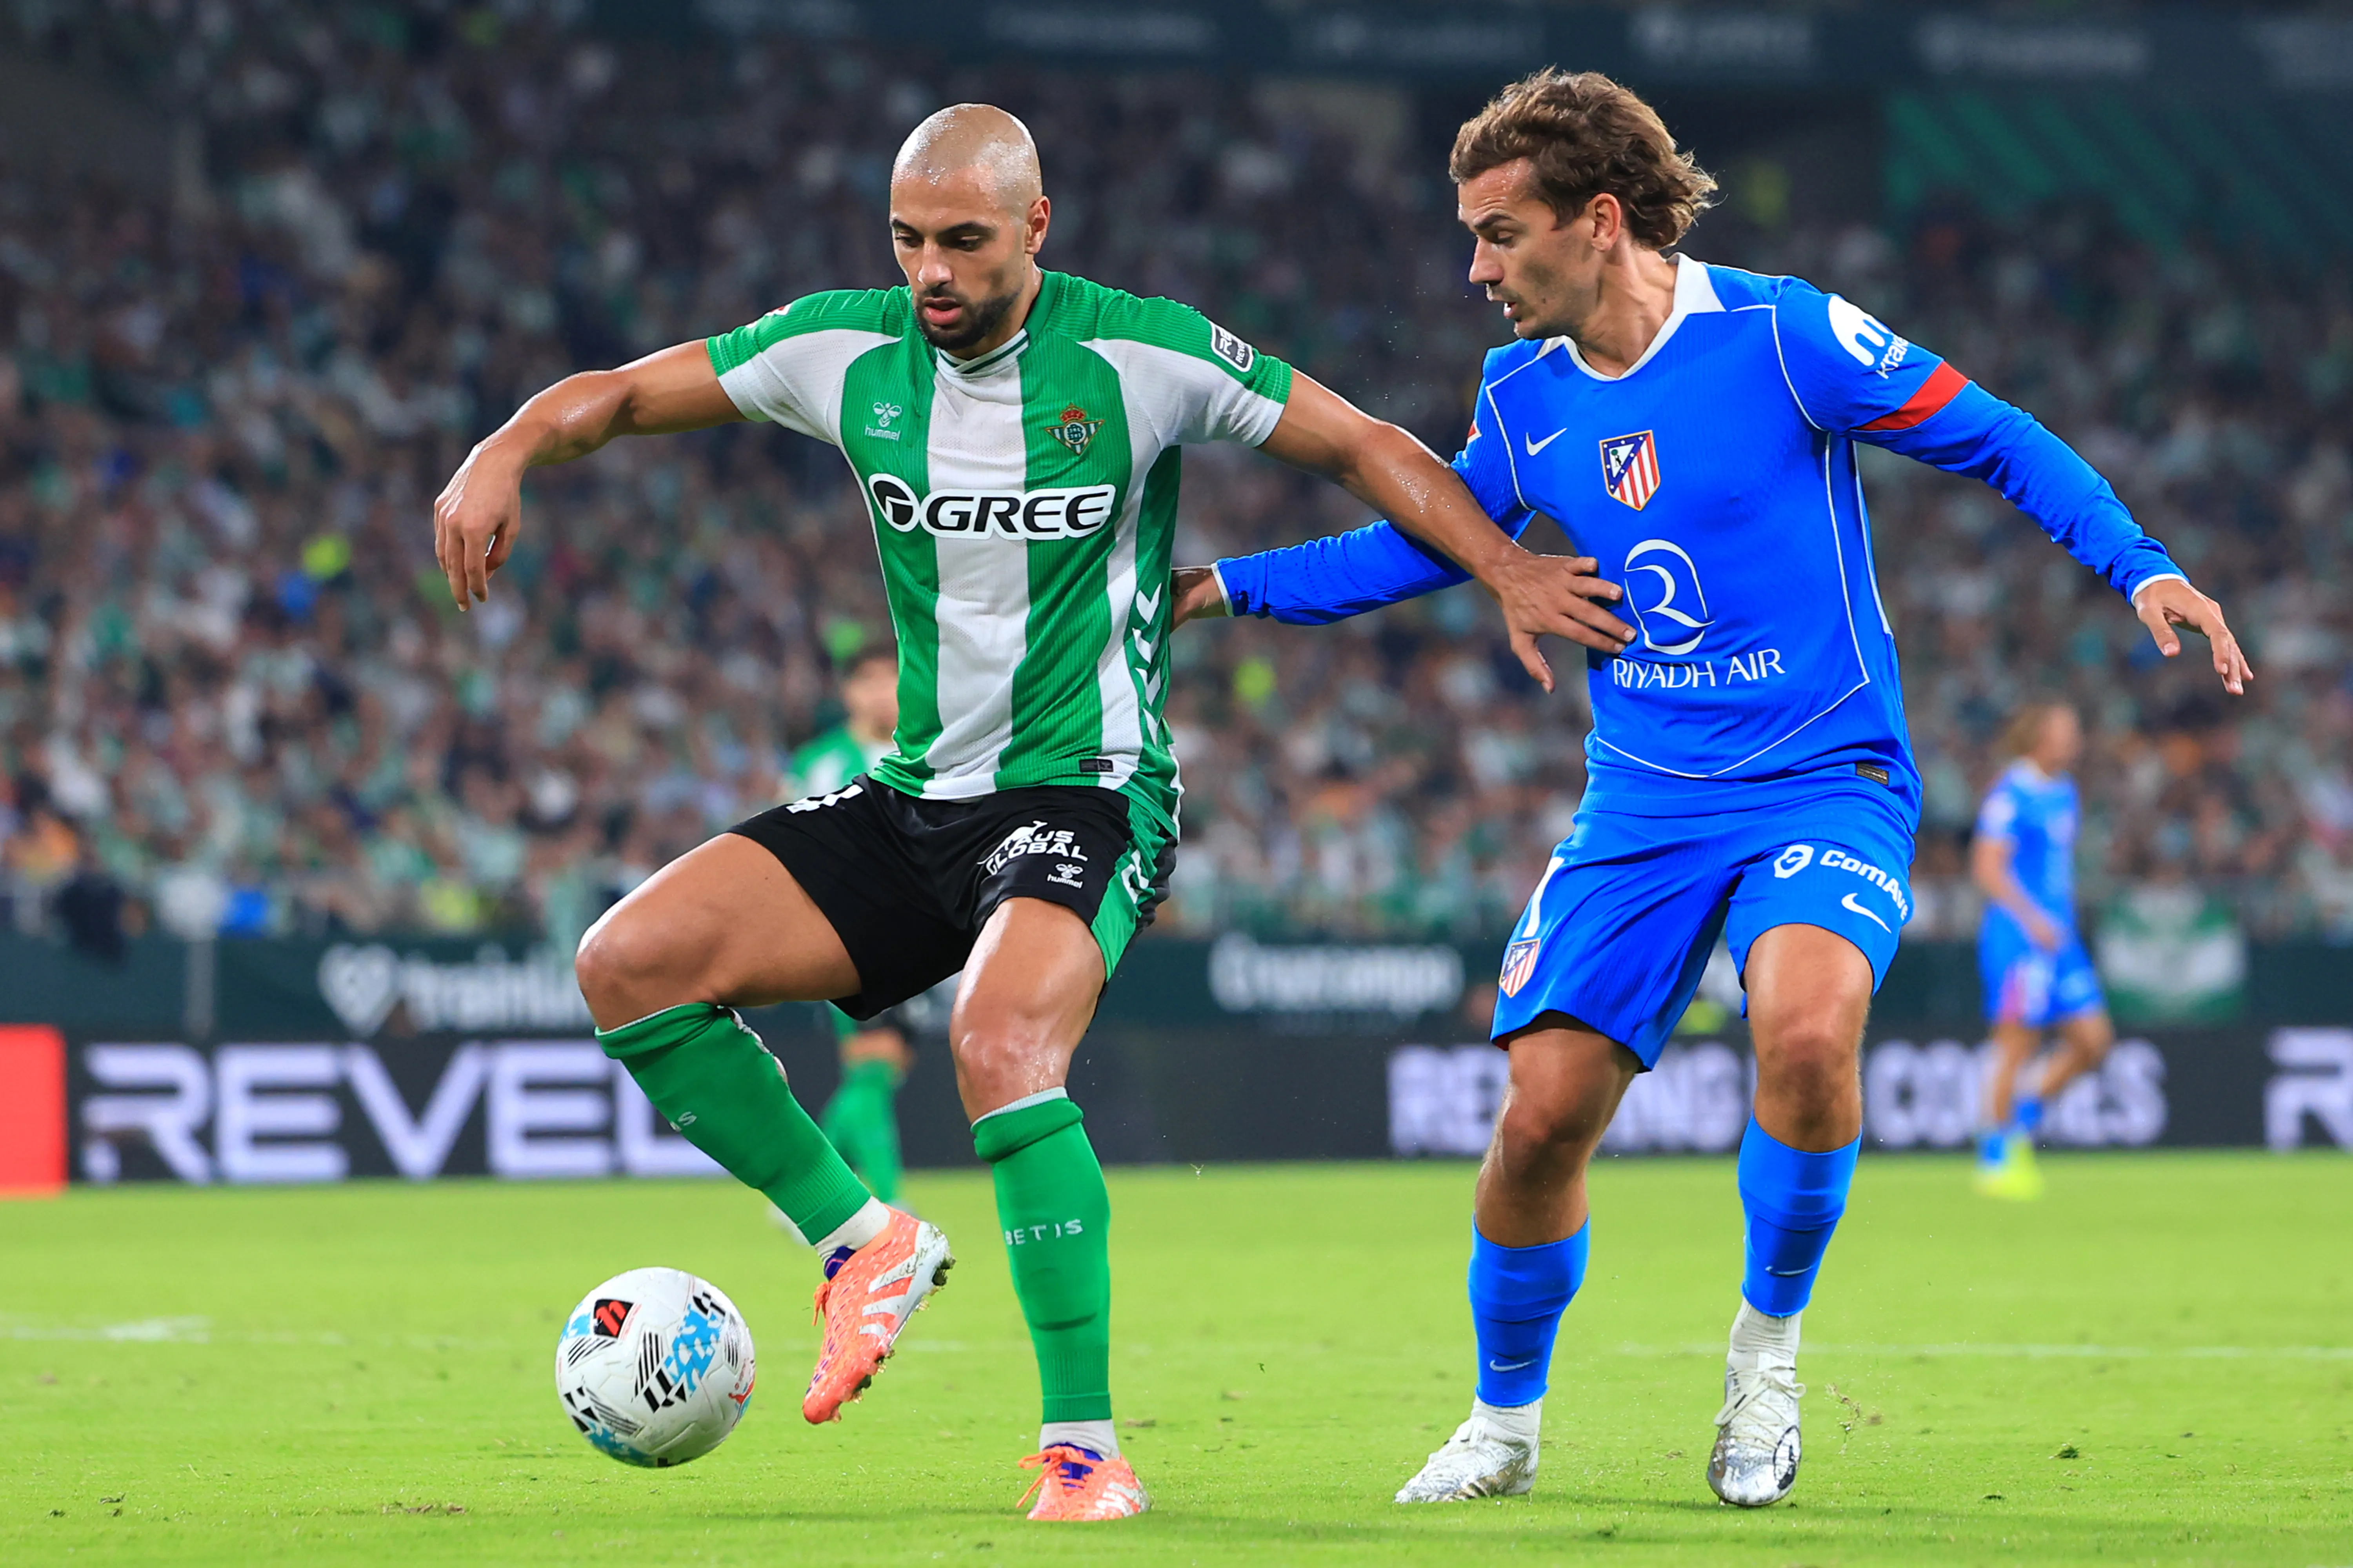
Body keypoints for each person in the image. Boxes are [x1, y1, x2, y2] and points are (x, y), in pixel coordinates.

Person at [431, 103, 1619, 1523]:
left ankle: (1082, 1448)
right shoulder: (843, 348)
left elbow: (1364, 445)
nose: (929, 269)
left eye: (963, 242)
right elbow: (618, 395)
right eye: (908, 239)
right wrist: (505, 443)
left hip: (1090, 791)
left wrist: (1499, 565)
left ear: (1035, 231)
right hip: (912, 797)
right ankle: (861, 1242)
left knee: (1000, 1043)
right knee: (626, 964)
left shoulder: (1140, 355)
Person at [1178, 68, 2248, 1510]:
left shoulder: (1783, 334)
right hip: (1642, 801)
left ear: (1598, 221)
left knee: (1805, 1037)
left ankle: (1763, 1364)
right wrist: (1216, 590)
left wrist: (2143, 564)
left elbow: (1992, 430)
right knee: (1540, 1116)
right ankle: (1504, 1421)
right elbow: (1422, 543)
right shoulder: (1523, 392)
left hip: (1824, 775)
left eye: (1499, 233)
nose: (1474, 269)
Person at [1970, 701, 2112, 1200]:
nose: (2075, 740)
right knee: (2017, 1043)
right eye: (2065, 730)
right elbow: (1988, 867)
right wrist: (2032, 920)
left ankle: (2020, 1115)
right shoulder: (2012, 793)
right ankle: (1996, 1157)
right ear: (2038, 736)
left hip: (2061, 940)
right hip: (2019, 939)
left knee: (2094, 1041)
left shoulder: (2065, 791)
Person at [793, 647, 918, 1204]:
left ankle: (804, 1189)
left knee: (877, 1071)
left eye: (893, 679)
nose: (882, 692)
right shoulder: (824, 761)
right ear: (849, 693)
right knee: (873, 1065)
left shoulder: (926, 749)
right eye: (869, 682)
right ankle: (887, 1200)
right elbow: (791, 841)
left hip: (919, 931)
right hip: (846, 928)